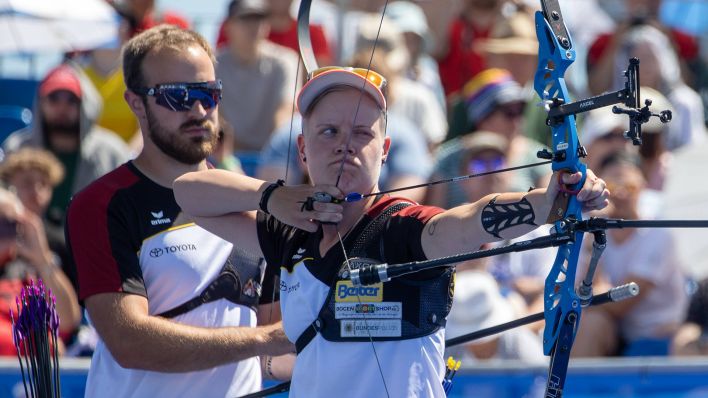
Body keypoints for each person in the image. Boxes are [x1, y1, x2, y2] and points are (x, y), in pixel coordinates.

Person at [173, 66, 610, 397]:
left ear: (384, 151)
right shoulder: (291, 230)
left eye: (362, 133)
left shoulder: (404, 228)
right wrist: (271, 196)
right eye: (328, 132)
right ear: (302, 149)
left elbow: (467, 222)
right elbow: (188, 192)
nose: (345, 144)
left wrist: (547, 202)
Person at [64, 25, 293, 397]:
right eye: (178, 97)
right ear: (136, 102)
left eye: (209, 93)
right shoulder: (101, 204)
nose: (199, 110)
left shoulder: (253, 202)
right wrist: (264, 339)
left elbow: (275, 355)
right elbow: (128, 341)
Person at [572, 151, 687, 357]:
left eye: (630, 187)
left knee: (591, 320)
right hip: (616, 331)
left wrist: (588, 292)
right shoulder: (590, 230)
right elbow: (579, 292)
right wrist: (592, 239)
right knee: (589, 324)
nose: (622, 195)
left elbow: (621, 302)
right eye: (614, 188)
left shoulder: (657, 234)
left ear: (643, 186)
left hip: (657, 336)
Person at [3, 63, 130, 230]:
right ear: (40, 103)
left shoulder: (112, 152)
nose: (62, 108)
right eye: (54, 98)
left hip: (94, 245)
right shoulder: (18, 148)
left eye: (71, 100)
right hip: (25, 244)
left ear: (86, 105)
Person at [0, 187, 81, 356]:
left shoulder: (28, 280)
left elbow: (68, 322)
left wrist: (42, 258)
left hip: (23, 379)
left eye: (8, 223)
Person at [217, 0, 300, 152]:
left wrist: (274, 153)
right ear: (228, 26)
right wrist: (227, 158)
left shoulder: (286, 61)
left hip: (271, 155)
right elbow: (214, 115)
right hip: (224, 155)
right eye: (245, 18)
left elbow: (285, 113)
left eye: (260, 18)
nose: (254, 26)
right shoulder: (213, 63)